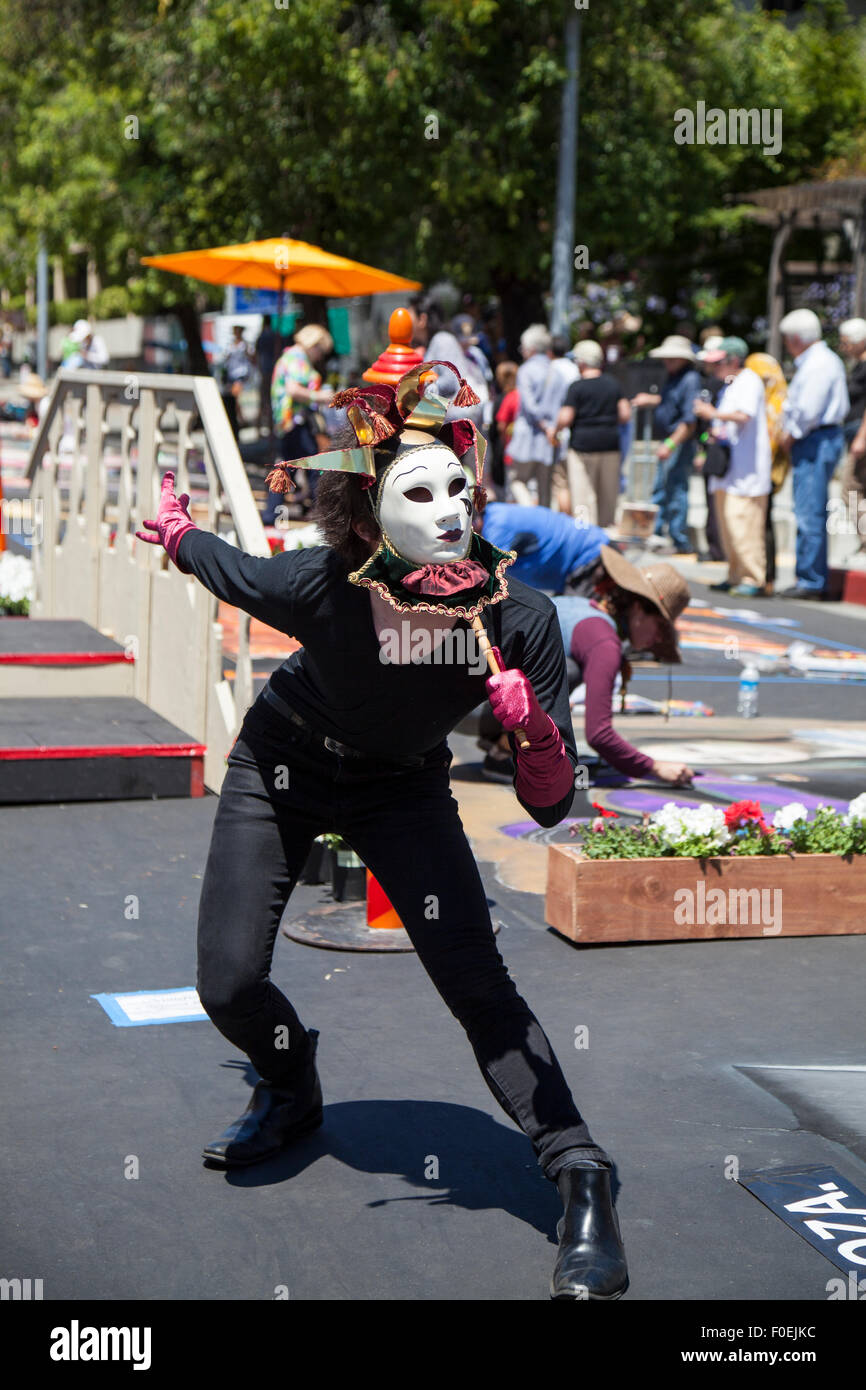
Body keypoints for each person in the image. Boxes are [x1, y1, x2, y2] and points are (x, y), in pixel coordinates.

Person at [135, 360, 628, 1302]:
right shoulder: (319, 586)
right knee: (228, 981)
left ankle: (580, 1172)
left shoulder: (516, 620)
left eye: (458, 487)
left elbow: (551, 804)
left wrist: (530, 732)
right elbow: (220, 564)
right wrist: (175, 532)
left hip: (400, 788)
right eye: (417, 493)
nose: (447, 511)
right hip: (281, 763)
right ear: (365, 521)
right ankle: (290, 1081)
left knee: (478, 984)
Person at [479, 545, 693, 788]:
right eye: (661, 628)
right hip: (481, 703)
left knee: (554, 668)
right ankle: (504, 754)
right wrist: (654, 767)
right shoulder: (604, 642)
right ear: (639, 609)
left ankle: (502, 741)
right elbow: (599, 735)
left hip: (472, 689)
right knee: (566, 671)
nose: (658, 640)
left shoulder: (583, 606)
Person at [778, 309, 849, 598]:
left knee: (810, 511)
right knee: (807, 509)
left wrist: (790, 435)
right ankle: (808, 576)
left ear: (795, 338)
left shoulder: (819, 363)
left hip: (815, 438)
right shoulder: (820, 360)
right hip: (817, 437)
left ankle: (811, 580)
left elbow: (808, 409)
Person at [693, 337, 771, 597]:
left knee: (744, 523)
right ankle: (735, 573)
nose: (714, 369)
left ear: (733, 360)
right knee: (728, 523)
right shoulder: (731, 384)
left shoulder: (749, 380)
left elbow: (743, 415)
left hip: (747, 469)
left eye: (718, 363)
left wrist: (711, 414)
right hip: (729, 468)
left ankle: (753, 576)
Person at [631, 335, 702, 554]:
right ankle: (659, 534)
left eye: (672, 358)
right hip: (670, 439)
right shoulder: (674, 378)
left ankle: (679, 538)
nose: (667, 362)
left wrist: (671, 444)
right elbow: (671, 403)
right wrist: (651, 400)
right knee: (662, 488)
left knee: (675, 489)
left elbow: (689, 420)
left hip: (677, 440)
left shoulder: (689, 379)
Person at [551, 340, 630, 527]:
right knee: (608, 493)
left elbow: (565, 418)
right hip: (610, 445)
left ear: (581, 362)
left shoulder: (577, 387)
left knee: (582, 494)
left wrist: (555, 431)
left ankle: (584, 532)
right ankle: (606, 530)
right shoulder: (613, 384)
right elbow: (625, 414)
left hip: (582, 447)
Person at [265, 324, 334, 525]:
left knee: (287, 466)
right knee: (312, 465)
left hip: (288, 422)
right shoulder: (297, 358)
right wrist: (320, 396)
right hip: (295, 421)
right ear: (314, 344)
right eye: (321, 351)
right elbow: (294, 390)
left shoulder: (291, 356)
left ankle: (272, 513)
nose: (320, 356)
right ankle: (322, 514)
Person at [479, 500, 609, 595]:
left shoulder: (496, 529)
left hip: (589, 556)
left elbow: (484, 583)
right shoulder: (495, 511)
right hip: (583, 557)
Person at [744, 351, 791, 594]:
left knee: (764, 522)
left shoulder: (779, 404)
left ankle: (766, 577)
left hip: (768, 470)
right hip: (753, 468)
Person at [508, 324, 556, 507]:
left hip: (528, 435)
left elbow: (529, 405)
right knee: (545, 488)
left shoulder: (526, 370)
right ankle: (544, 526)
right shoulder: (555, 370)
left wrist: (541, 422)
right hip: (549, 437)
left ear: (531, 349)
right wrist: (549, 425)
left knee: (517, 480)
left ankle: (530, 512)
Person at [838, 318, 866, 553]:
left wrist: (862, 437)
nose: (843, 347)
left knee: (850, 489)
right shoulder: (858, 366)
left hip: (861, 438)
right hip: (854, 436)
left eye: (846, 342)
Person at [220, 324, 254, 440]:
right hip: (231, 374)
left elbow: (251, 358)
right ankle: (240, 418)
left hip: (241, 374)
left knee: (235, 396)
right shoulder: (230, 344)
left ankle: (241, 418)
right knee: (233, 398)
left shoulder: (244, 345)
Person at [255, 314, 279, 434]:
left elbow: (257, 356)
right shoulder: (275, 335)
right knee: (271, 401)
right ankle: (270, 428)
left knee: (264, 401)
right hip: (274, 371)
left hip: (265, 371)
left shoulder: (261, 336)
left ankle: (259, 429)